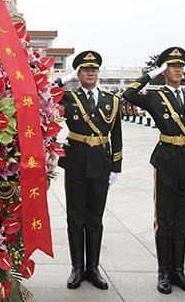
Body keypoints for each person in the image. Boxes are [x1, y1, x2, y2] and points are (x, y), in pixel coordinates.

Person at [123, 47, 185, 295]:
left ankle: (179, 271)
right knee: (165, 219)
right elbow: (129, 93)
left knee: (183, 220)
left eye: (180, 65)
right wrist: (151, 74)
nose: (178, 69)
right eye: (172, 66)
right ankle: (163, 272)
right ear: (164, 71)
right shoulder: (155, 97)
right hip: (166, 162)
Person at [56, 50, 122, 290]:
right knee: (75, 217)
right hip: (75, 162)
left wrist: (116, 166)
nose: (90, 72)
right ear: (79, 73)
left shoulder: (111, 100)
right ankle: (77, 268)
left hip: (101, 163)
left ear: (98, 72)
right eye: (85, 69)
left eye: (93, 69)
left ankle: (93, 269)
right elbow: (42, 93)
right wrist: (65, 79)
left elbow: (116, 134)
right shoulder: (69, 98)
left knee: (95, 217)